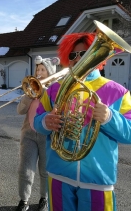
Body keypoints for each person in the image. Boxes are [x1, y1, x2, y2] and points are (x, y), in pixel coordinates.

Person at [33, 32, 131, 210]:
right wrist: (45, 122)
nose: (78, 58)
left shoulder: (118, 92)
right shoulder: (54, 89)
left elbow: (129, 133)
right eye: (73, 55)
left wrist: (109, 118)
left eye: (84, 53)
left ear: (99, 58)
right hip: (59, 175)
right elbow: (36, 122)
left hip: (98, 179)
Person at [16, 56, 60, 211]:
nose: (39, 72)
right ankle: (24, 200)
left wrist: (45, 94)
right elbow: (20, 110)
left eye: (43, 69)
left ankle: (44, 198)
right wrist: (28, 96)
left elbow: (57, 111)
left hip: (47, 136)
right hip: (28, 135)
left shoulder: (55, 90)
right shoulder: (31, 88)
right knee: (25, 170)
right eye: (37, 69)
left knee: (45, 170)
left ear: (50, 72)